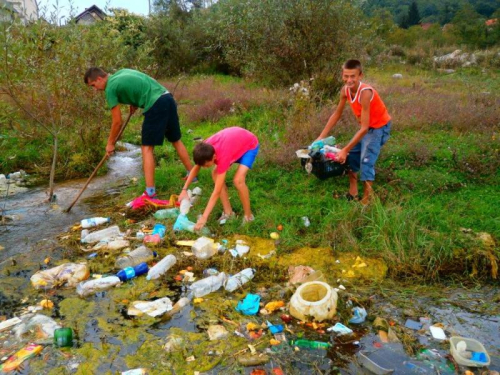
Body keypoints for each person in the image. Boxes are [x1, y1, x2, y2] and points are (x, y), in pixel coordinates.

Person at [84, 67, 193, 199]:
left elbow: (117, 121)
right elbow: (138, 83)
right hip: (167, 98)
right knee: (175, 140)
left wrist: (110, 143)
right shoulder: (120, 73)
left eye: (93, 85)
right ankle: (193, 175)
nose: (95, 89)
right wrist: (134, 101)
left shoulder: (110, 89)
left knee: (146, 148)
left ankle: (150, 193)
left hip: (155, 104)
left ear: (100, 79)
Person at [316, 59, 391, 205]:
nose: (349, 80)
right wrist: (320, 137)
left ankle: (366, 203)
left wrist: (345, 149)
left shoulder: (365, 93)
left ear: (360, 76)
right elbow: (336, 114)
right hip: (366, 128)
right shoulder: (345, 91)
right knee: (350, 159)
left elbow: (364, 128)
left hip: (378, 128)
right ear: (342, 75)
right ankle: (353, 192)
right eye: (346, 76)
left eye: (353, 76)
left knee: (366, 161)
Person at [179, 127, 259, 231]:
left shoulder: (223, 156)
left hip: (249, 145)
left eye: (207, 165)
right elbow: (196, 167)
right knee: (215, 174)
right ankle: (228, 213)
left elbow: (216, 192)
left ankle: (249, 217)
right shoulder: (205, 147)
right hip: (234, 145)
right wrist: (184, 189)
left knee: (238, 181)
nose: (205, 168)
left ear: (214, 157)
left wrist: (204, 218)